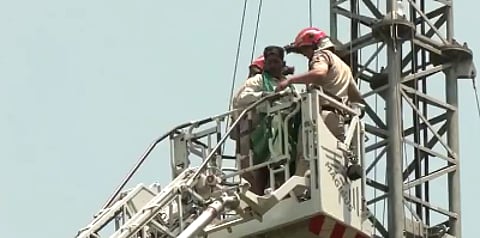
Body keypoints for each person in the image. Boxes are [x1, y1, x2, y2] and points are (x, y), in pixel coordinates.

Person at [275, 27, 363, 177]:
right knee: (334, 165)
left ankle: (301, 193)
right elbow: (357, 100)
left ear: (314, 45)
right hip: (338, 122)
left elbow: (319, 73)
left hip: (321, 118)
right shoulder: (344, 68)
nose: (305, 55)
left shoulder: (321, 55)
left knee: (306, 158)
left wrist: (290, 80)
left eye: (305, 50)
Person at [231, 46, 298, 195]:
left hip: (287, 129)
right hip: (263, 130)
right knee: (262, 167)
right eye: (269, 62)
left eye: (275, 62)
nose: (272, 65)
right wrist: (264, 95)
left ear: (282, 63)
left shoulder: (289, 84)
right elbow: (240, 99)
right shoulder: (258, 80)